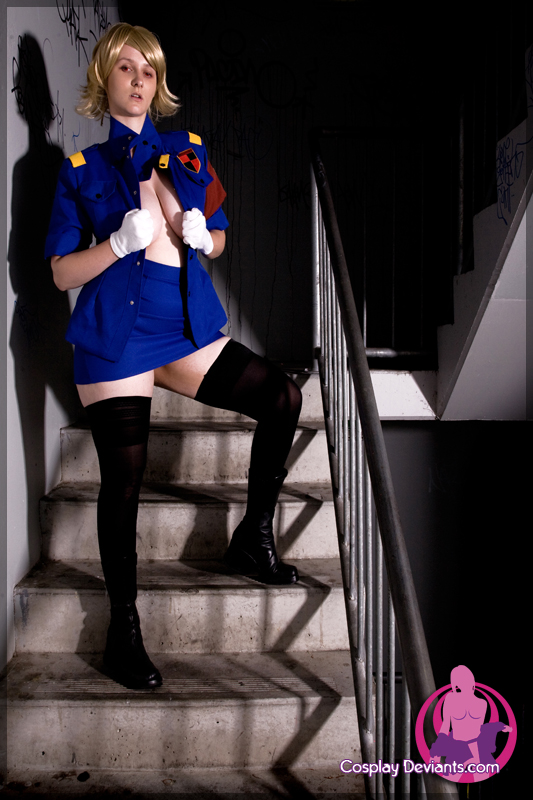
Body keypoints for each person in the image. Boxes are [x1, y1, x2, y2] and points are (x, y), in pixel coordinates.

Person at [45, 23, 302, 692]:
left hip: (184, 328)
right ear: (104, 79)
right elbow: (61, 273)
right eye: (126, 68)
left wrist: (205, 238)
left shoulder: (187, 150)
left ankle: (252, 538)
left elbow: (217, 234)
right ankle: (122, 628)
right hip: (115, 338)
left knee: (282, 396)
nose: (138, 80)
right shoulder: (81, 170)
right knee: (124, 481)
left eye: (149, 71)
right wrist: (115, 246)